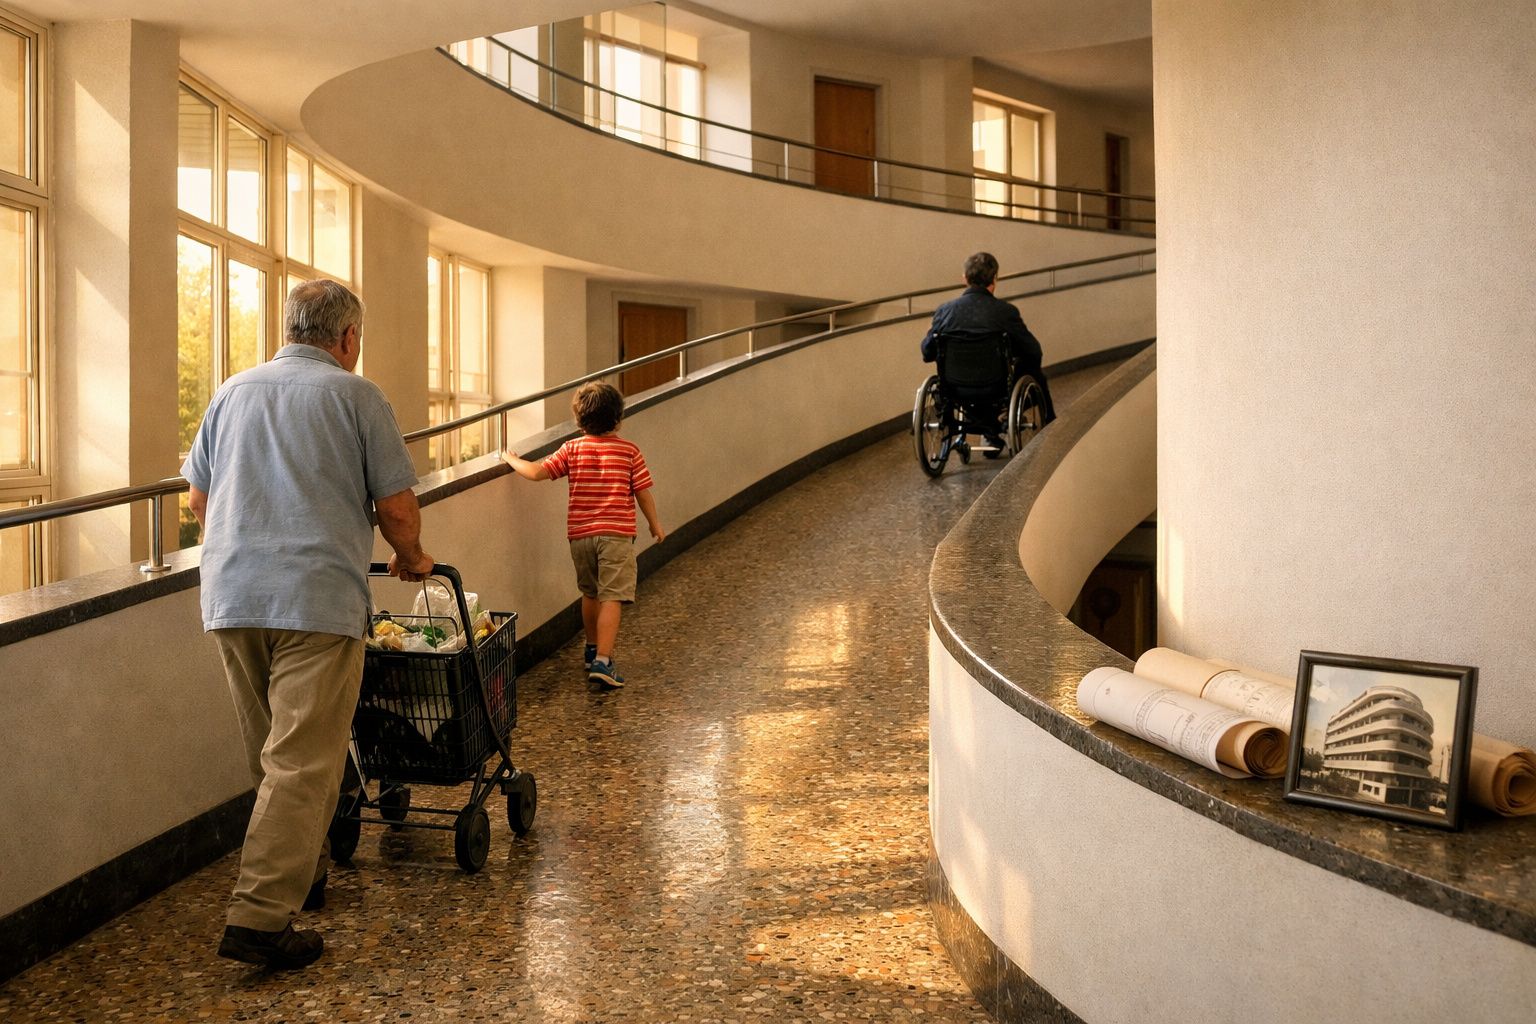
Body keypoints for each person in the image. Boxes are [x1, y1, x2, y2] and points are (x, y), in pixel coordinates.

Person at [182, 280, 434, 970]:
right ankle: (260, 919)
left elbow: (200, 498)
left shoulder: (233, 390)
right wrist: (411, 558)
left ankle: (306, 872)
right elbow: (398, 507)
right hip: (314, 601)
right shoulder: (357, 396)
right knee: (302, 760)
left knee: (271, 750)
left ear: (289, 328)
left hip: (231, 595)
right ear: (347, 339)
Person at [502, 381, 664, 690]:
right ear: (618, 418)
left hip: (580, 536)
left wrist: (510, 458)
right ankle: (604, 660)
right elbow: (643, 492)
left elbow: (537, 472)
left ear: (579, 420)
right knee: (612, 596)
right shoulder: (629, 451)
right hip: (616, 534)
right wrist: (654, 524)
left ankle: (591, 650)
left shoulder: (572, 449)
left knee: (590, 593)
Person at [920, 251, 1057, 432]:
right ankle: (1048, 423)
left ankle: (988, 430)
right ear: (994, 280)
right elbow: (1034, 351)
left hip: (955, 389)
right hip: (995, 387)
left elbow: (927, 353)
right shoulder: (1005, 312)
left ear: (965, 278)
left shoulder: (944, 311)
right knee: (1032, 367)